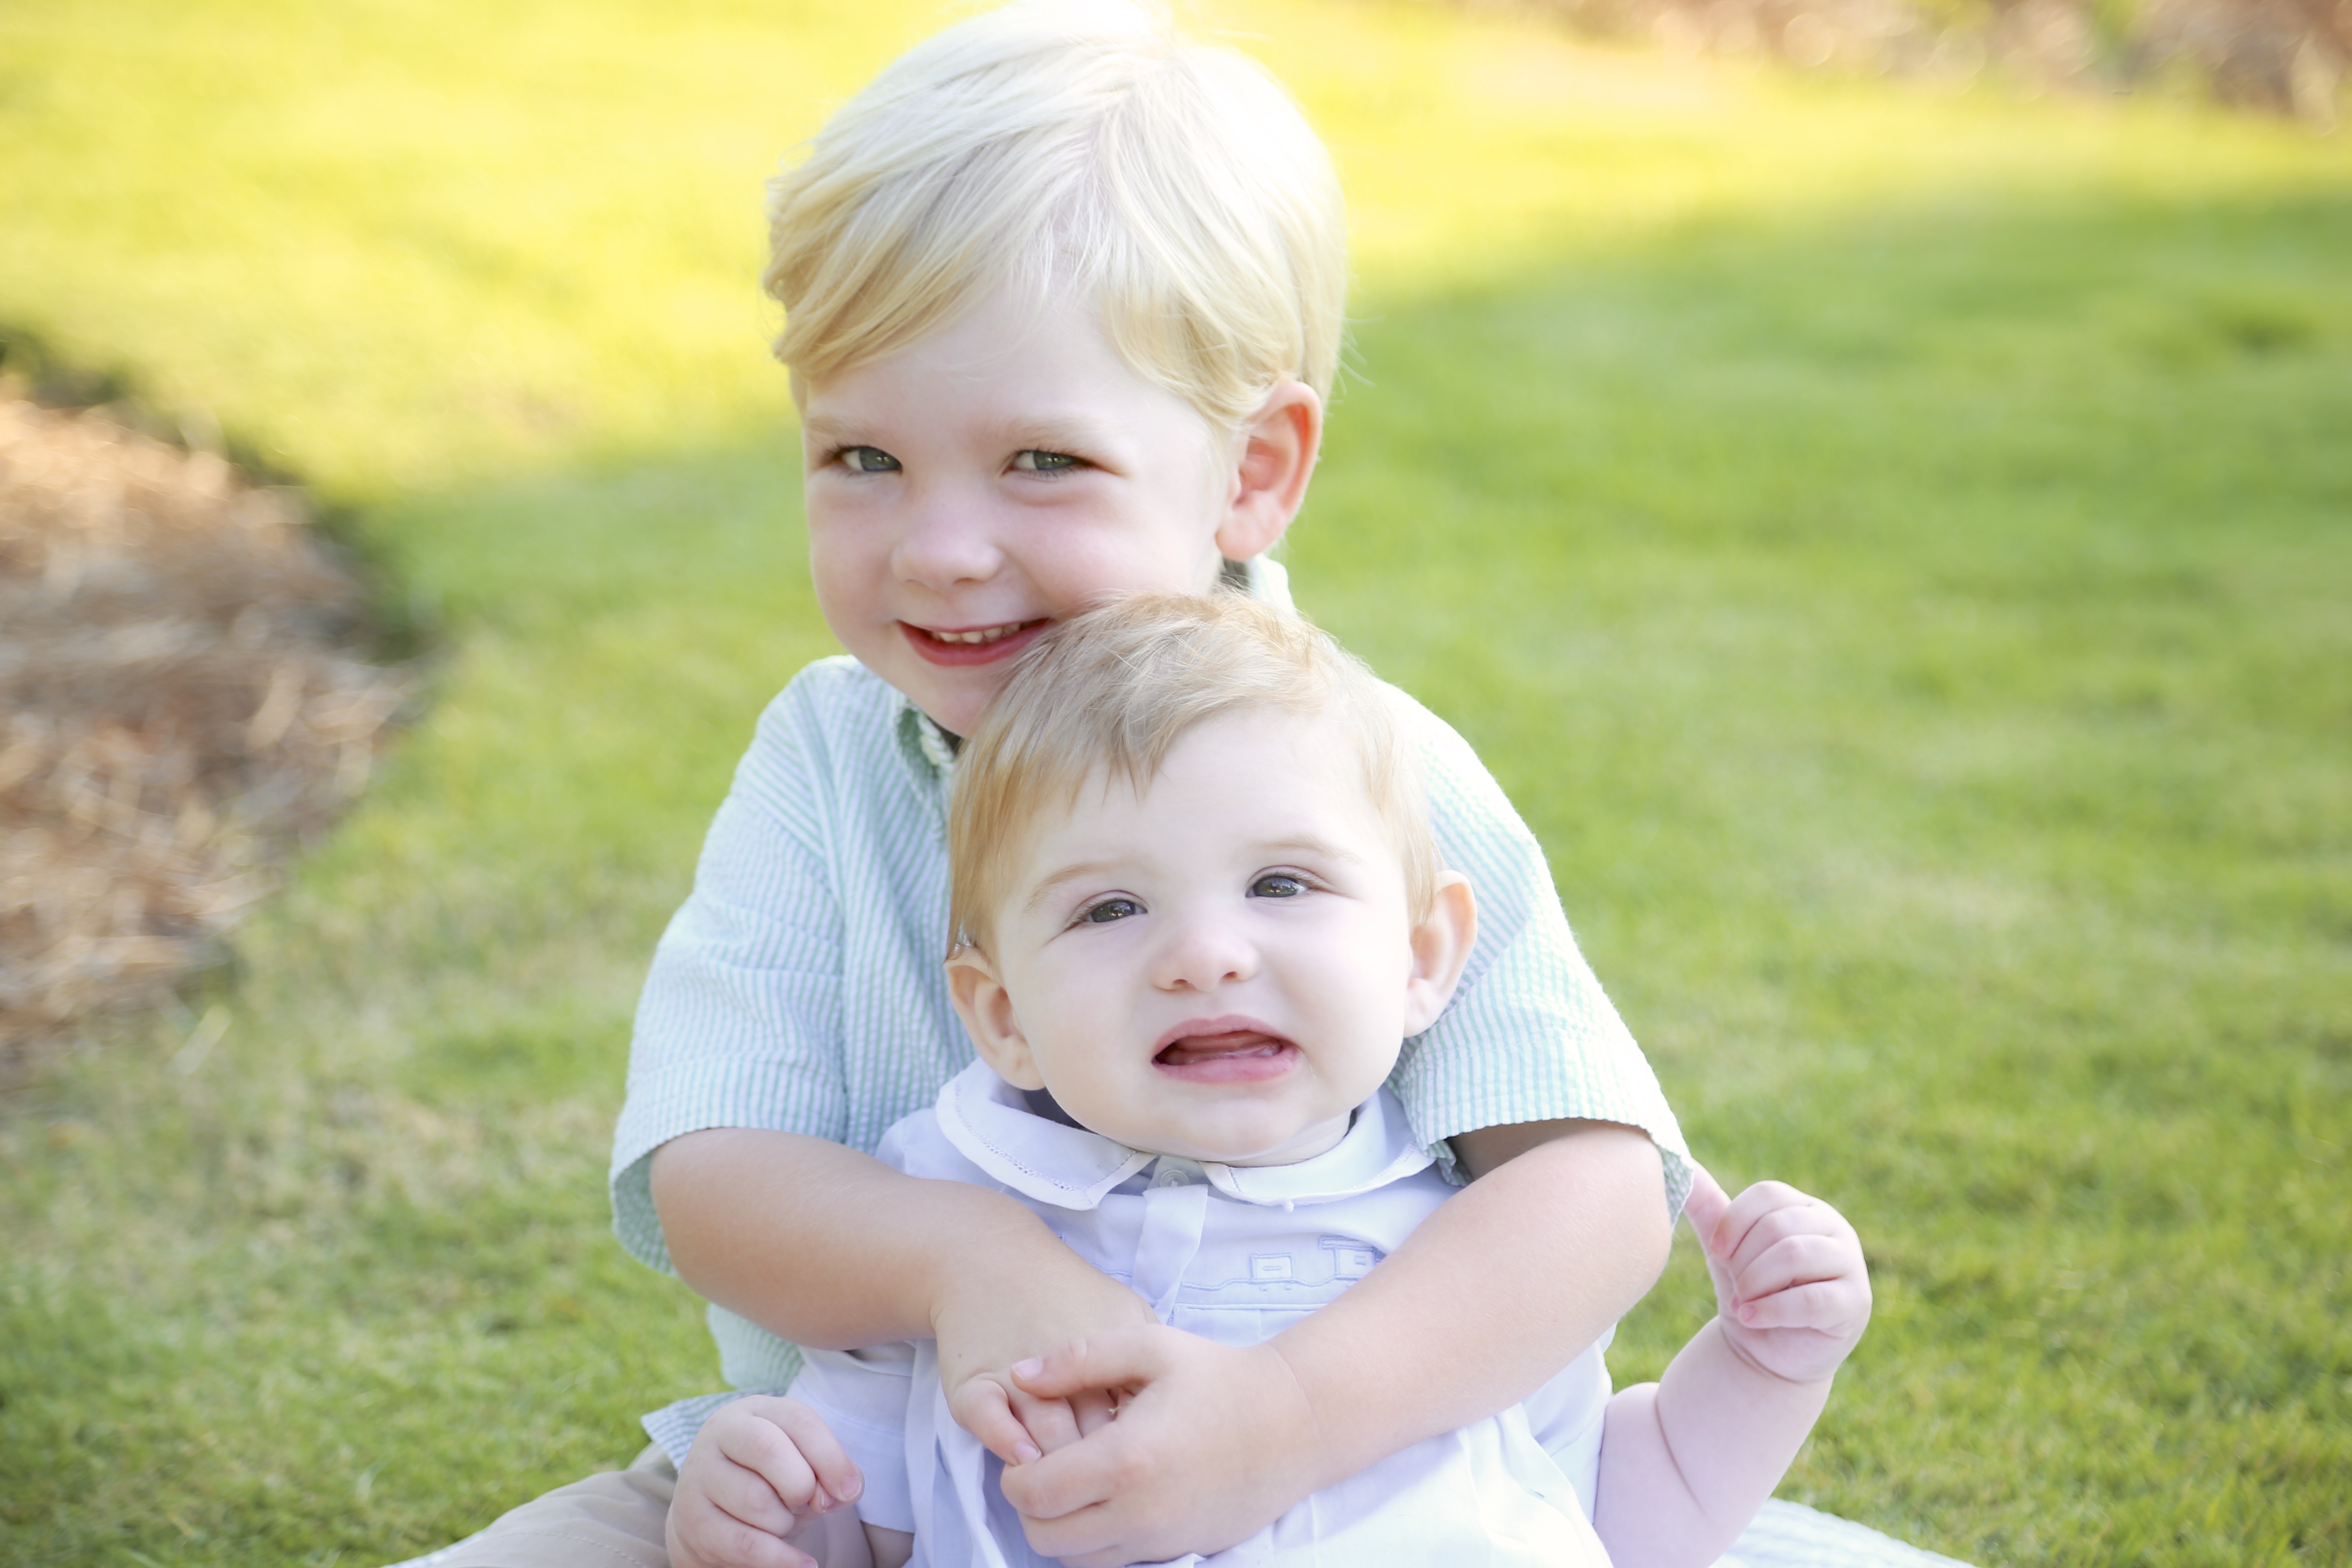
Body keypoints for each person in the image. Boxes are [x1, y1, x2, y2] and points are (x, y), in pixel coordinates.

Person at [426, 5, 1691, 1565]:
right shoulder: (829, 763)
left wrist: (1289, 1414)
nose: (941, 548)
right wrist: (963, 1262)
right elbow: (715, 1173)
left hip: (1356, 1505)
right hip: (863, 1498)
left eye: (1043, 462)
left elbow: (1588, 1193)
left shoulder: (1370, 768)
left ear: (1252, 471)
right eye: (863, 459)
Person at [677, 594, 1871, 1568]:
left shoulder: (1460, 1249)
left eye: (1282, 886)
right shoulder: (958, 1198)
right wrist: (778, 1511)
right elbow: (876, 1524)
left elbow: (1615, 1516)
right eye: (1110, 908)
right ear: (1003, 1019)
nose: (1207, 956)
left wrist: (1765, 1366)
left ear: (1422, 958)